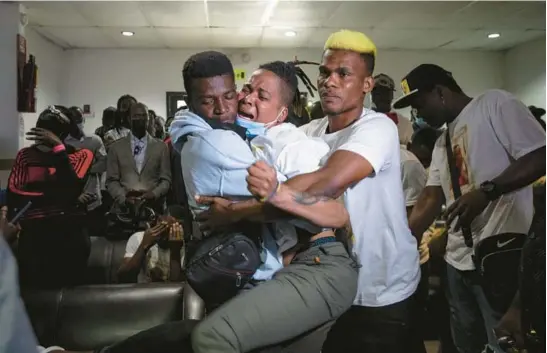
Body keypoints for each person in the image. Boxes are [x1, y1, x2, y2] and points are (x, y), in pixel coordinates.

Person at [395, 64, 546, 353]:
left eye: (419, 104)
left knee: (505, 343)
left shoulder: (494, 104)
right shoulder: (442, 141)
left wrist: (489, 191)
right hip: (459, 261)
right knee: (467, 344)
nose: (418, 114)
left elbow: (540, 154)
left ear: (440, 92)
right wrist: (403, 238)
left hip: (502, 254)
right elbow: (431, 197)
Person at [7, 105, 95, 288]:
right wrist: (65, 198)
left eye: (49, 132)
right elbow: (15, 194)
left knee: (70, 297)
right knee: (36, 299)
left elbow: (72, 186)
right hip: (35, 236)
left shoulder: (80, 156)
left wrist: (59, 150)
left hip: (69, 236)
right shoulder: (25, 156)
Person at [106, 102, 171, 215]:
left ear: (149, 118)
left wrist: (154, 194)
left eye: (143, 116)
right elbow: (111, 181)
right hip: (124, 210)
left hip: (154, 209)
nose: (140, 119)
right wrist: (123, 197)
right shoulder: (116, 148)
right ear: (129, 118)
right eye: (136, 116)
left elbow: (166, 179)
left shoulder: (161, 147)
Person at [118, 205, 185, 283]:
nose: (165, 231)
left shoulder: (184, 247)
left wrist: (175, 252)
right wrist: (143, 246)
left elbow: (177, 285)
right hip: (142, 291)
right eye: (162, 225)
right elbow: (123, 277)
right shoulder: (139, 238)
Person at [65, 106, 106, 215]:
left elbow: (104, 163)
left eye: (79, 119)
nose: (76, 123)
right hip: (70, 199)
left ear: (84, 119)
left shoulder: (94, 140)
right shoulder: (62, 143)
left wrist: (86, 169)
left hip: (93, 196)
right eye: (73, 120)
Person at [372, 73, 414, 145]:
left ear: (392, 95)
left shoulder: (404, 123)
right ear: (371, 95)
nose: (383, 97)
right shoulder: (362, 120)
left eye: (386, 93)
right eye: (378, 93)